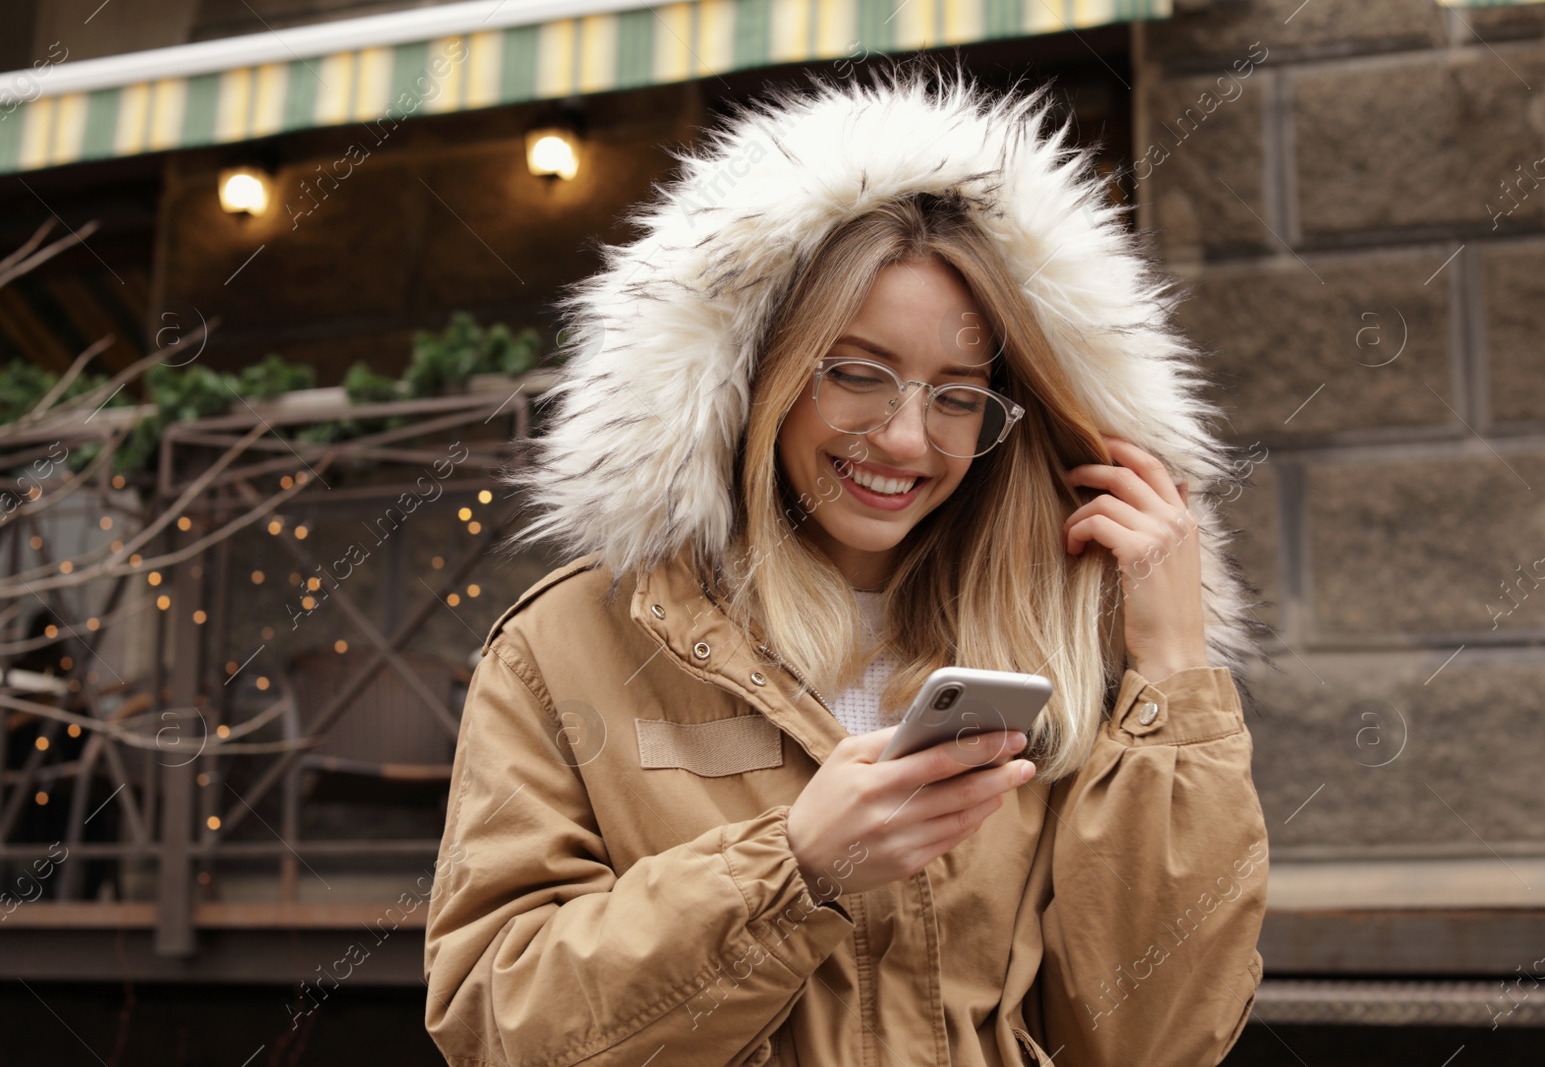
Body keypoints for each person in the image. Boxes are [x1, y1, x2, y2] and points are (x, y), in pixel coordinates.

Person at [424, 62, 1268, 1067]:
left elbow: (1151, 1040)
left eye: (958, 395)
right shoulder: (564, 649)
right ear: (755, 373)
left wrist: (1173, 667)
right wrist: (795, 866)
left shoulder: (1067, 652)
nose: (908, 439)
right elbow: (497, 1022)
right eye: (856, 373)